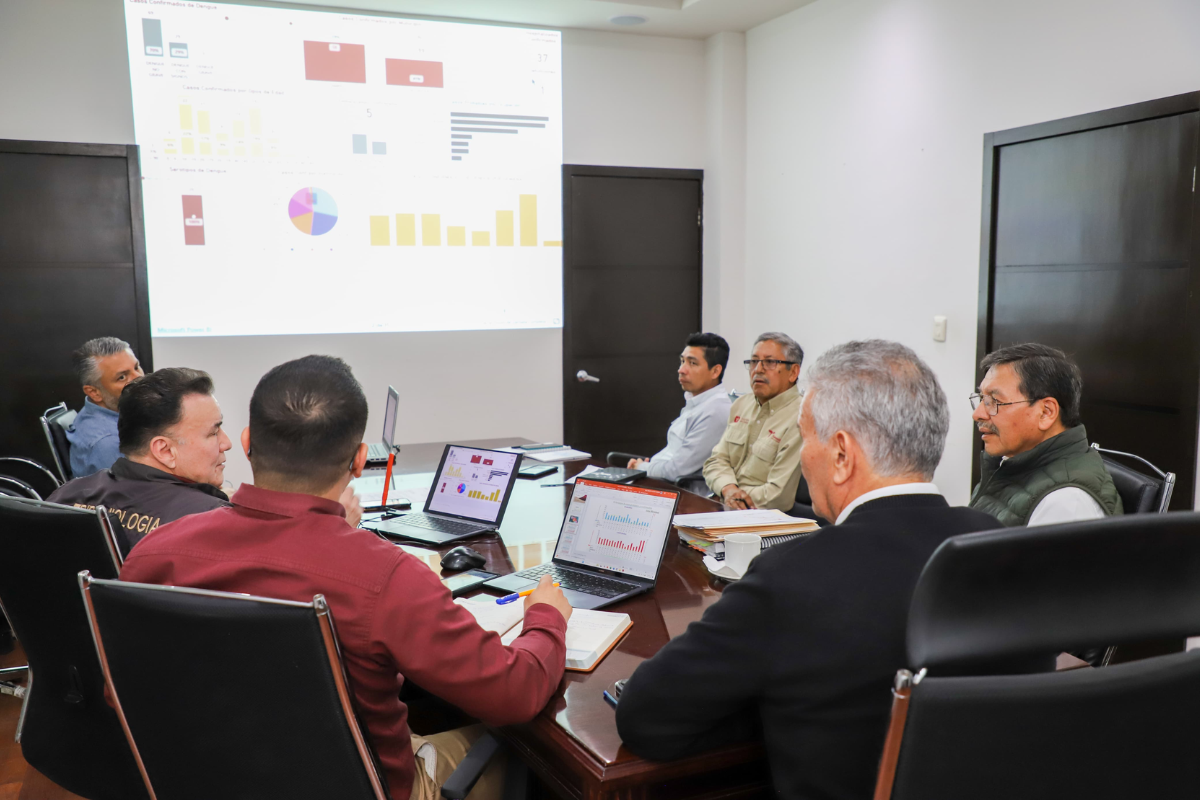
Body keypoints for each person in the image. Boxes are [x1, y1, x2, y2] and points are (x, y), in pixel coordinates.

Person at [119, 355, 572, 800]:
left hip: (198, 782)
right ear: (359, 460)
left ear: (246, 440)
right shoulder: (385, 576)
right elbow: (516, 693)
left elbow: (121, 693)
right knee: (532, 761)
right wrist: (546, 617)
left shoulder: (153, 554)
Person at [616, 340, 1008, 800]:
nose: (804, 456)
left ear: (841, 454)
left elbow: (646, 716)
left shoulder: (793, 575)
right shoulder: (998, 545)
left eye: (805, 438)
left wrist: (771, 697)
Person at [49, 368, 232, 550]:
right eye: (214, 432)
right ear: (165, 450)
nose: (226, 443)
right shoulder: (211, 522)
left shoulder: (66, 496)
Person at [969, 343, 1122, 526]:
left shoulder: (1066, 505)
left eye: (994, 401)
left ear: (1046, 412)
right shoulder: (1012, 462)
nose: (978, 414)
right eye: (982, 399)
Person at [702, 332, 804, 511]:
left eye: (770, 362)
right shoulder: (741, 404)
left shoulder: (802, 417)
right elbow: (715, 461)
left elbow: (778, 495)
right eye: (754, 361)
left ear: (793, 372)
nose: (758, 369)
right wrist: (727, 488)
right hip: (725, 505)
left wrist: (732, 495)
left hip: (764, 520)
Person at [625, 333, 733, 484]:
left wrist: (642, 467)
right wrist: (648, 465)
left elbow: (676, 471)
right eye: (682, 361)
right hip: (659, 482)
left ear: (715, 371)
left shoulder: (715, 412)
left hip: (683, 494)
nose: (681, 370)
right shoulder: (697, 402)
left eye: (692, 363)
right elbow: (673, 453)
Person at [65, 337, 145, 477]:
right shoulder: (108, 443)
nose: (139, 378)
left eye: (136, 367)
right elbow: (134, 496)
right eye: (122, 377)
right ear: (94, 392)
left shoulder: (117, 413)